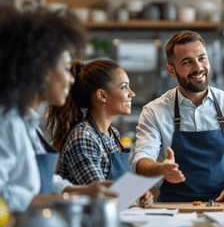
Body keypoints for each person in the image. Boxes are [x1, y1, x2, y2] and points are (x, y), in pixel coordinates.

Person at [0, 5, 117, 213]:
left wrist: (83, 191)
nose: (71, 78)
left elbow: (38, 180)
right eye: (66, 69)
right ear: (41, 71)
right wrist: (66, 201)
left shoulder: (25, 120)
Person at [129, 30, 224, 203]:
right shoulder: (155, 111)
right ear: (171, 70)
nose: (198, 67)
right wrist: (160, 169)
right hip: (175, 207)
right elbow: (141, 158)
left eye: (202, 58)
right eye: (187, 62)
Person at [45, 59, 153, 207]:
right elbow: (102, 196)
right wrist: (133, 196)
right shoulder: (83, 137)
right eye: (124, 87)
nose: (132, 93)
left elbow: (120, 189)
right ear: (102, 96)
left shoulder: (112, 134)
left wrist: (141, 194)